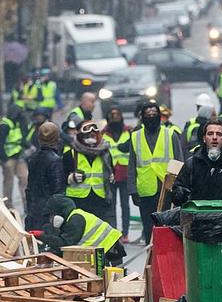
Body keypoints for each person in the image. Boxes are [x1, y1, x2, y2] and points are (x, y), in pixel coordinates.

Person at [126, 102, 183, 244]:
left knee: (167, 227)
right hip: (145, 191)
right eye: (148, 115)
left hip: (167, 189)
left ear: (159, 116)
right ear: (142, 118)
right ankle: (151, 259)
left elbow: (179, 161)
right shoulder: (135, 137)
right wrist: (132, 190)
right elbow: (132, 165)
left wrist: (180, 186)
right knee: (148, 227)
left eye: (154, 114)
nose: (151, 117)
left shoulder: (170, 134)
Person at [172, 118, 222, 204]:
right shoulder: (191, 164)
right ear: (204, 138)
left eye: (219, 134)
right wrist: (179, 194)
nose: (214, 137)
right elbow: (176, 198)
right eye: (210, 134)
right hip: (198, 216)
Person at [40, 194, 126, 265]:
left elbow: (64, 245)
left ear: (59, 214)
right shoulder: (74, 216)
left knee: (107, 279)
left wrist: (42, 236)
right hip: (109, 249)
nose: (51, 221)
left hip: (106, 251)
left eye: (52, 216)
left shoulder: (75, 220)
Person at [63, 120, 114, 226]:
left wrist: (111, 176)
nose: (91, 136)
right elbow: (59, 178)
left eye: (94, 133)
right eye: (87, 134)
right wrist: (70, 178)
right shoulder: (70, 154)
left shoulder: (105, 153)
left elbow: (111, 170)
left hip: (100, 200)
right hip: (78, 201)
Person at [24, 122, 66, 231]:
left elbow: (29, 187)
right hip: (48, 212)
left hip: (34, 209)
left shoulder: (33, 159)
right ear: (57, 138)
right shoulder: (55, 160)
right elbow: (58, 191)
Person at [0, 104, 30, 212]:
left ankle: (26, 204)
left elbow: (21, 138)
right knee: (9, 182)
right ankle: (8, 206)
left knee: (24, 179)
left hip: (18, 156)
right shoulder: (4, 125)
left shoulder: (18, 123)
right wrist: (4, 159)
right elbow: (0, 144)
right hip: (8, 158)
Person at [103, 107, 132, 242]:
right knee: (111, 205)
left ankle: (125, 233)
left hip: (125, 173)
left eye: (117, 115)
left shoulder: (129, 131)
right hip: (111, 174)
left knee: (125, 205)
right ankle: (114, 232)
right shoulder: (103, 133)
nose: (115, 118)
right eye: (112, 115)